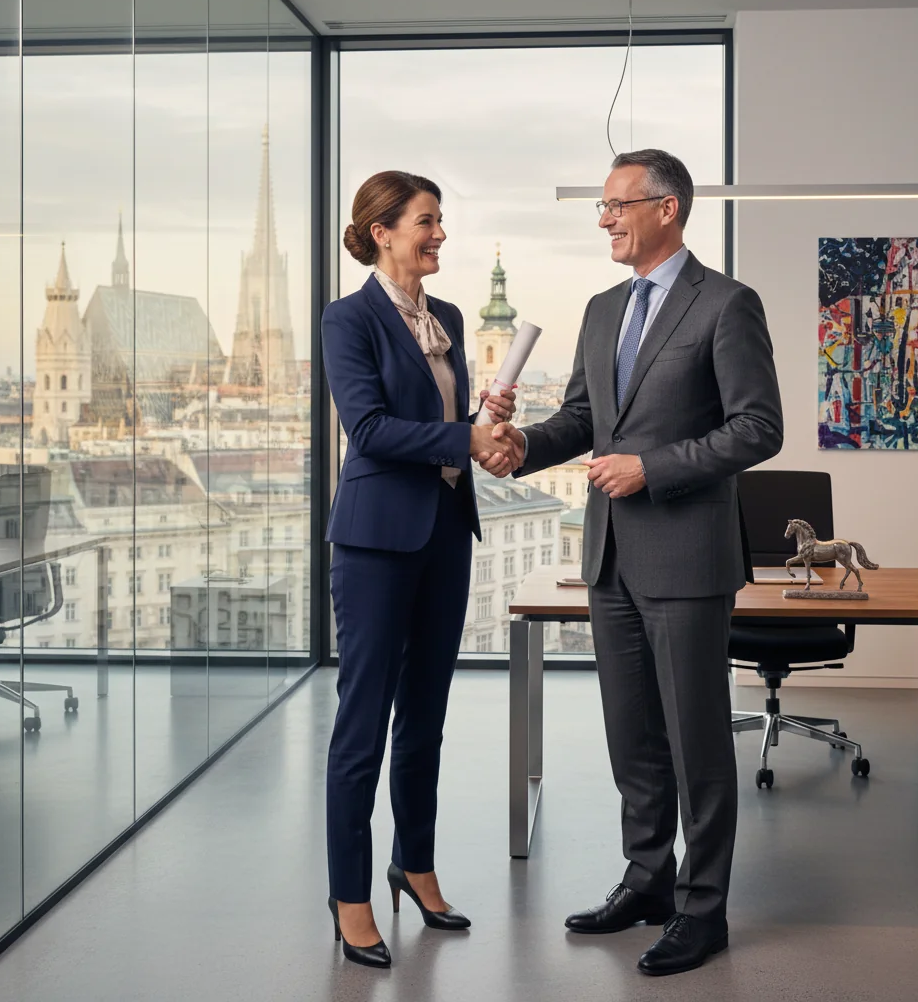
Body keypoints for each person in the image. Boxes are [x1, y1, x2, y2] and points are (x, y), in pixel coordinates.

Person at [491, 149, 783, 977]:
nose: (605, 219)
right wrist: (522, 447)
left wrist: (654, 468)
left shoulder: (727, 303)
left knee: (697, 742)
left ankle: (703, 909)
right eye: (602, 207)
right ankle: (648, 880)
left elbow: (758, 427)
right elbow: (584, 419)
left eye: (619, 204)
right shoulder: (599, 307)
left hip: (688, 556)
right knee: (634, 739)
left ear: (668, 208)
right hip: (611, 556)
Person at [320, 170, 522, 969]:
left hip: (443, 530)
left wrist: (484, 426)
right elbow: (368, 429)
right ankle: (349, 897)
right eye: (426, 222)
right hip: (374, 541)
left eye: (440, 222)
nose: (440, 235)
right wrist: (461, 440)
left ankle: (415, 865)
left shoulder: (447, 317)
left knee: (426, 719)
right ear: (383, 232)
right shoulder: (350, 319)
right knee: (362, 728)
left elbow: (444, 424)